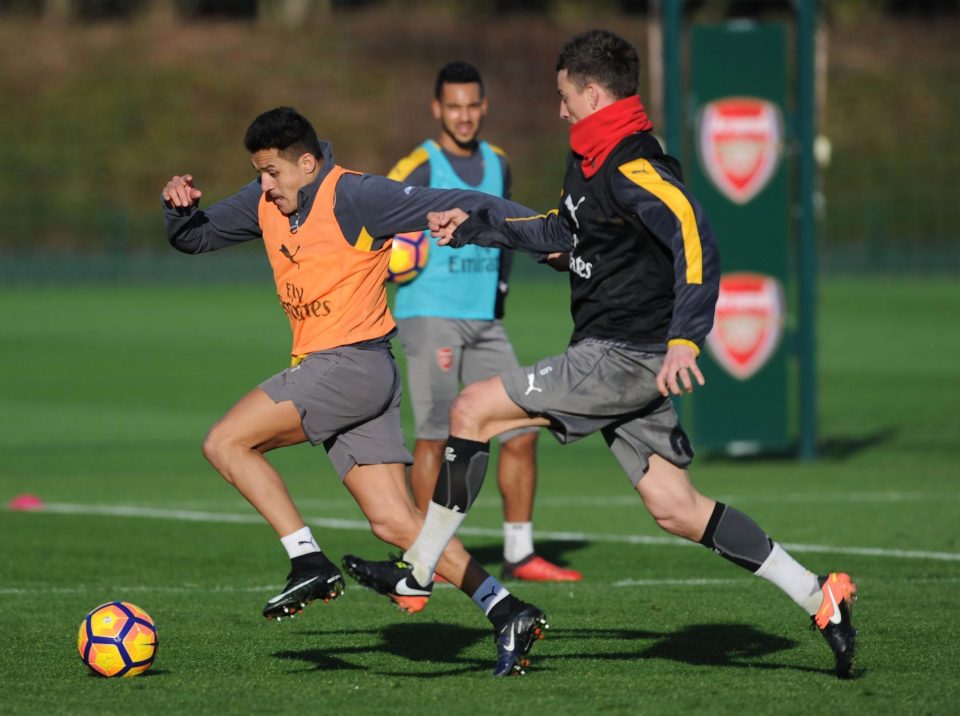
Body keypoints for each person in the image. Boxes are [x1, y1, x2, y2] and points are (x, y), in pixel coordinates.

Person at [341, 30, 858, 679]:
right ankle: (820, 596)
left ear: (591, 93)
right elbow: (562, 228)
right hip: (611, 353)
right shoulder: (589, 160)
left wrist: (685, 337)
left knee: (472, 410)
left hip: (622, 357)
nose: (557, 110)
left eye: (563, 97)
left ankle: (417, 573)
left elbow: (696, 236)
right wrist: (472, 224)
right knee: (677, 507)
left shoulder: (635, 165)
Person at [160, 106, 547, 676]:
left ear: (308, 164)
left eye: (272, 173)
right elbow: (196, 239)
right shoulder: (265, 200)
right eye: (260, 173)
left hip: (346, 368)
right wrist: (179, 212)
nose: (264, 186)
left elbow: (465, 203)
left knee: (225, 443)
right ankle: (505, 607)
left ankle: (306, 560)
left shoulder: (356, 196)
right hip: (357, 375)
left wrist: (550, 234)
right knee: (396, 524)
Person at [386, 61, 580, 582]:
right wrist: (396, 259)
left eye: (473, 106)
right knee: (433, 438)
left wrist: (500, 293)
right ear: (437, 109)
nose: (465, 116)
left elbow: (510, 231)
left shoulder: (499, 162)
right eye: (454, 106)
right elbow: (378, 216)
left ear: (484, 106)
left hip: (485, 322)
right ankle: (423, 565)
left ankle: (519, 552)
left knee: (520, 430)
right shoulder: (419, 165)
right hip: (431, 316)